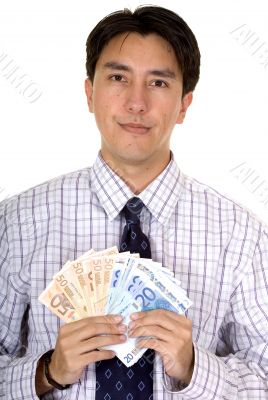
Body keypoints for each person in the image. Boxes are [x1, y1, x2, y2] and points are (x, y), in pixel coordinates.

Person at [0, 4, 268, 400]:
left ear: (184, 105)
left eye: (158, 83)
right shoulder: (17, 220)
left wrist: (196, 367)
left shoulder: (241, 232)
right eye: (118, 77)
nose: (136, 102)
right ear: (90, 93)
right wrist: (47, 371)